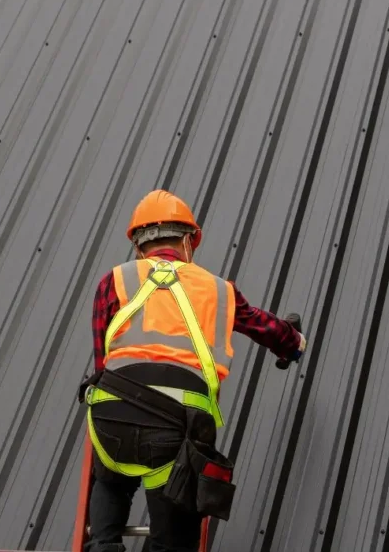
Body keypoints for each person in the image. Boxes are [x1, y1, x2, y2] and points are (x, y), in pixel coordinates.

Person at [78, 189, 306, 552]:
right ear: (188, 240)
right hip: (178, 426)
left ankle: (103, 543)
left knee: (111, 477)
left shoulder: (115, 280)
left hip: (113, 410)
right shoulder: (219, 290)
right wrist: (293, 342)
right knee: (171, 530)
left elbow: (101, 360)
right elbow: (268, 329)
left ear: (139, 246)